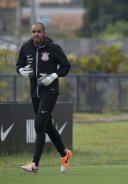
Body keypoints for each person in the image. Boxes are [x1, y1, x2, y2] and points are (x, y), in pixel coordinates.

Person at [16, 22, 72, 173]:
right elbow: (19, 65)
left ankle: (35, 164)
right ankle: (64, 153)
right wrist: (22, 71)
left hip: (50, 91)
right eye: (33, 31)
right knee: (47, 126)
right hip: (35, 92)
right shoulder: (26, 47)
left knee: (39, 125)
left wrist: (54, 75)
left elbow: (66, 66)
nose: (36, 34)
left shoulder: (53, 48)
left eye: (39, 32)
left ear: (44, 33)